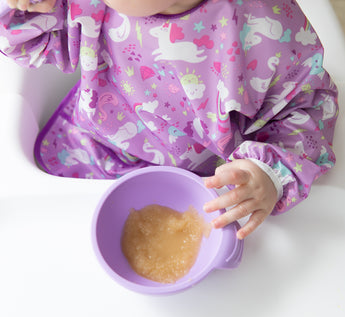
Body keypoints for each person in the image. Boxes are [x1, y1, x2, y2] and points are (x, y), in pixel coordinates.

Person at [0, 0, 339, 240]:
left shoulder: (263, 26)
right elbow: (27, 43)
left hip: (202, 178)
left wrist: (269, 172)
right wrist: (24, 7)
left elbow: (308, 107)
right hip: (98, 150)